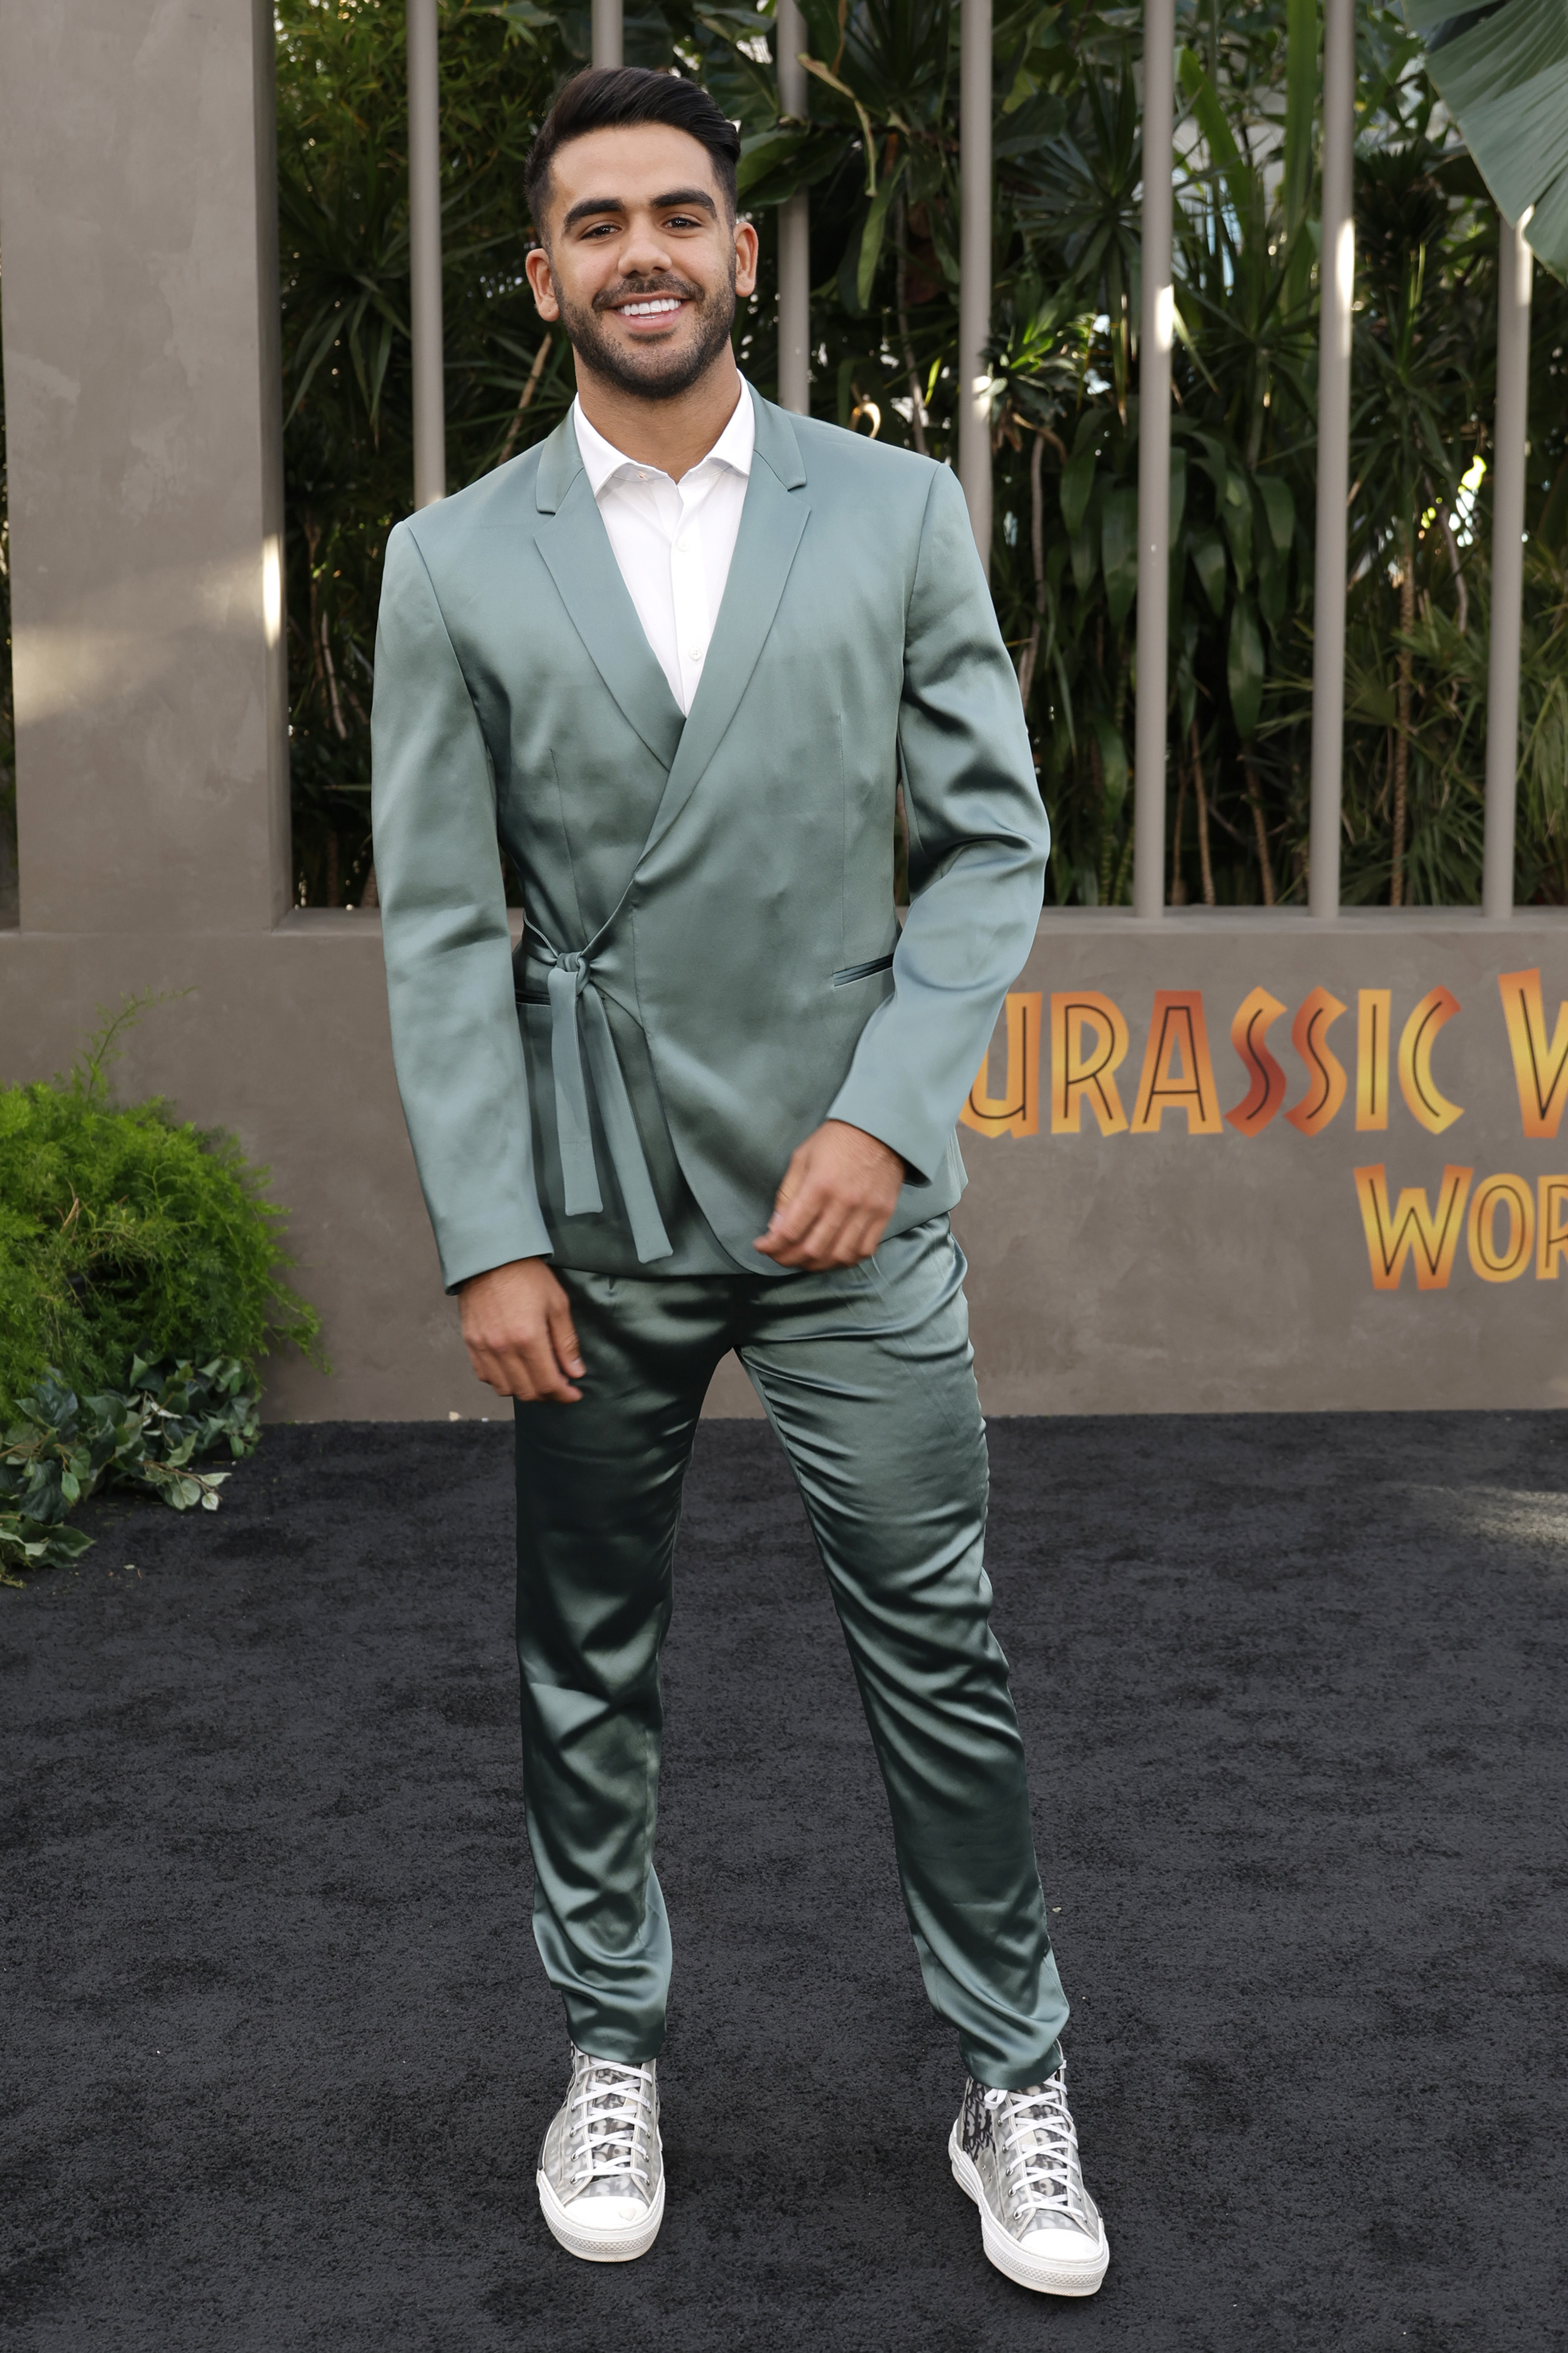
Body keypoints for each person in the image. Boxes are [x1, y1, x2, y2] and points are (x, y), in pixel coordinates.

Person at [371, 64, 1107, 2299]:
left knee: (941, 1649)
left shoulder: (889, 514)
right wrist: (488, 1233)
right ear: (541, 277)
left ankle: (1016, 2075)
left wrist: (882, 1119)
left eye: (679, 213)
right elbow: (430, 924)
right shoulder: (443, 560)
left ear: (743, 253)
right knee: (585, 1658)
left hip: (843, 1203)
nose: (645, 254)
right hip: (585, 1203)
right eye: (595, 225)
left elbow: (990, 843)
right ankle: (610, 2044)